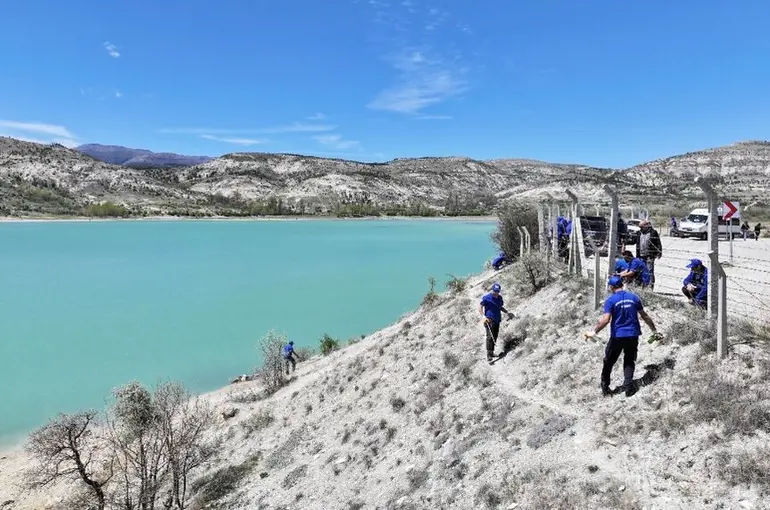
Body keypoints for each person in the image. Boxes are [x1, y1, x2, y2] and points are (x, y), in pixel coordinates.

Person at [585, 275, 657, 397]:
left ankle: (605, 388)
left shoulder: (611, 301)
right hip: (633, 334)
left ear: (611, 287)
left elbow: (606, 320)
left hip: (618, 336)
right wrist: (654, 331)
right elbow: (644, 316)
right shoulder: (634, 297)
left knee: (608, 361)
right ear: (622, 285)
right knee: (629, 360)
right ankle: (628, 388)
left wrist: (594, 331)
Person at [479, 282, 515, 361]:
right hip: (489, 320)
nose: (496, 293)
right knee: (489, 337)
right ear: (492, 290)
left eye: (498, 291)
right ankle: (489, 355)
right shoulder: (486, 298)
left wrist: (507, 312)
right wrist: (483, 316)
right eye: (495, 291)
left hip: (497, 320)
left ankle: (492, 352)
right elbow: (480, 307)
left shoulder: (499, 298)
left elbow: (500, 307)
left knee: (495, 336)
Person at [635, 220, 662, 290]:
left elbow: (658, 242)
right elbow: (633, 240)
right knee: (641, 270)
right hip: (640, 255)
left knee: (649, 271)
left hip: (650, 255)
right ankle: (642, 285)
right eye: (640, 227)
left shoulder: (653, 232)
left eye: (642, 227)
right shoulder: (638, 233)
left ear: (646, 225)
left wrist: (659, 252)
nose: (641, 228)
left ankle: (650, 286)